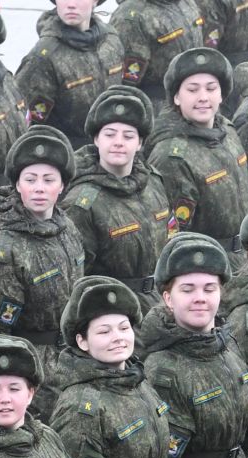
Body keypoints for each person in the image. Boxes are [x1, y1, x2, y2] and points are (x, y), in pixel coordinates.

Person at [49, 275, 169, 458]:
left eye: (123, 328)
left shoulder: (139, 382)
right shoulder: (82, 407)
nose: (118, 338)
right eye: (104, 331)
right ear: (82, 341)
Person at [142, 232, 248, 458]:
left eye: (209, 289)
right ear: (168, 299)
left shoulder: (229, 347)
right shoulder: (162, 369)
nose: (200, 298)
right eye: (187, 289)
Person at [0, 126, 83, 384]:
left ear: (62, 186)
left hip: (73, 356)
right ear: (17, 184)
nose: (39, 188)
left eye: (48, 180)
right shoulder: (3, 246)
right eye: (30, 179)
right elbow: (1, 328)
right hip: (32, 365)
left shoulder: (67, 227)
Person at [65, 87, 171, 299]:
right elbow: (76, 277)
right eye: (110, 134)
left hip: (161, 301)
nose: (118, 143)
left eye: (128, 136)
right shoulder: (82, 203)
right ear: (96, 139)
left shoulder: (153, 182)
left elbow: (171, 236)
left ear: (140, 143)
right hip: (114, 309)